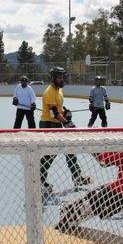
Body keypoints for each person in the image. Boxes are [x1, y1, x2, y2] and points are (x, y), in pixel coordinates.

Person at [40, 67, 92, 196]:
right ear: (53, 78)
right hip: (49, 125)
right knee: (49, 155)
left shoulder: (59, 90)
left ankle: (77, 177)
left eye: (63, 77)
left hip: (57, 124)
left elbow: (59, 109)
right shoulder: (50, 92)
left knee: (70, 149)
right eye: (59, 77)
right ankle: (40, 181)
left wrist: (66, 111)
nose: (62, 79)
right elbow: (54, 113)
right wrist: (67, 122)